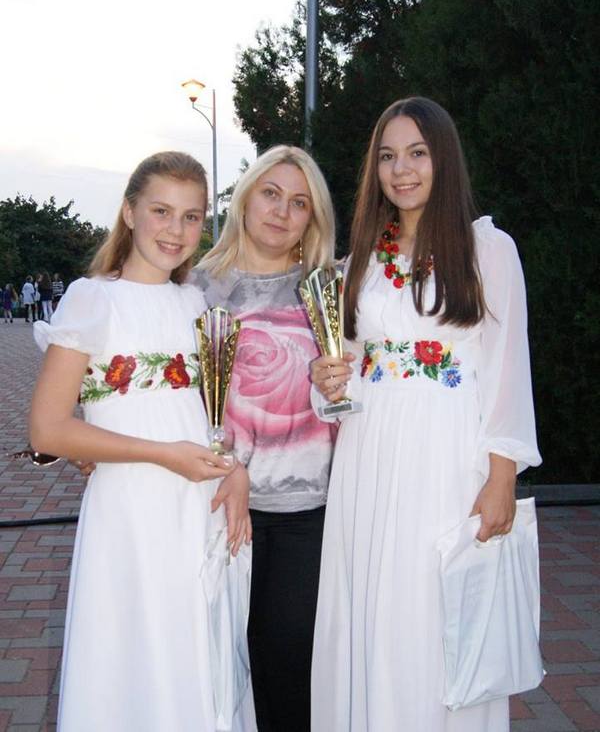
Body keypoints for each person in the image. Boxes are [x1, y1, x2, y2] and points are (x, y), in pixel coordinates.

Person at [309, 97, 541, 731]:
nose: (401, 169)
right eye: (388, 156)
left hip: (446, 457)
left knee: (435, 616)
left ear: (444, 158)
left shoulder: (487, 249)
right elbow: (344, 365)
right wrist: (325, 382)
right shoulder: (358, 261)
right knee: (371, 609)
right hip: (368, 454)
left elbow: (507, 369)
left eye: (417, 153)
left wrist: (502, 475)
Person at [29, 151, 254, 732]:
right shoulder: (92, 298)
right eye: (161, 211)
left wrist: (233, 469)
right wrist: (162, 455)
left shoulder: (195, 302)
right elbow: (48, 429)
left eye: (191, 216)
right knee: (134, 656)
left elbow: (207, 414)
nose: (175, 230)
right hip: (130, 511)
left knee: (192, 655)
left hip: (195, 506)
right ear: (129, 212)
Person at [192, 145, 337, 732]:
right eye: (271, 194)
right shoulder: (197, 287)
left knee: (289, 664)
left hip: (308, 511)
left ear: (312, 218)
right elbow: (168, 390)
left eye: (299, 203)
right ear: (245, 198)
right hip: (219, 507)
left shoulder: (328, 289)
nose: (281, 211)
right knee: (220, 666)